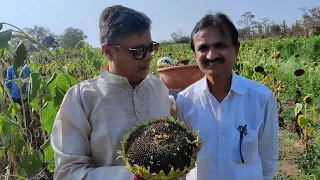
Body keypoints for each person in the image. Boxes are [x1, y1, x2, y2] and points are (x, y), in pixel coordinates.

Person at [50, 5, 174, 180]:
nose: (148, 57)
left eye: (151, 48)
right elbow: (67, 172)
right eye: (138, 52)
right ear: (108, 51)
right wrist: (133, 177)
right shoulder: (82, 98)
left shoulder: (159, 89)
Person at [175, 13, 279, 180]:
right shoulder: (185, 101)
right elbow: (181, 161)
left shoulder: (261, 98)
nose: (211, 55)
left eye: (220, 45)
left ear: (236, 49)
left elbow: (268, 158)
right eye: (203, 48)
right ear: (195, 54)